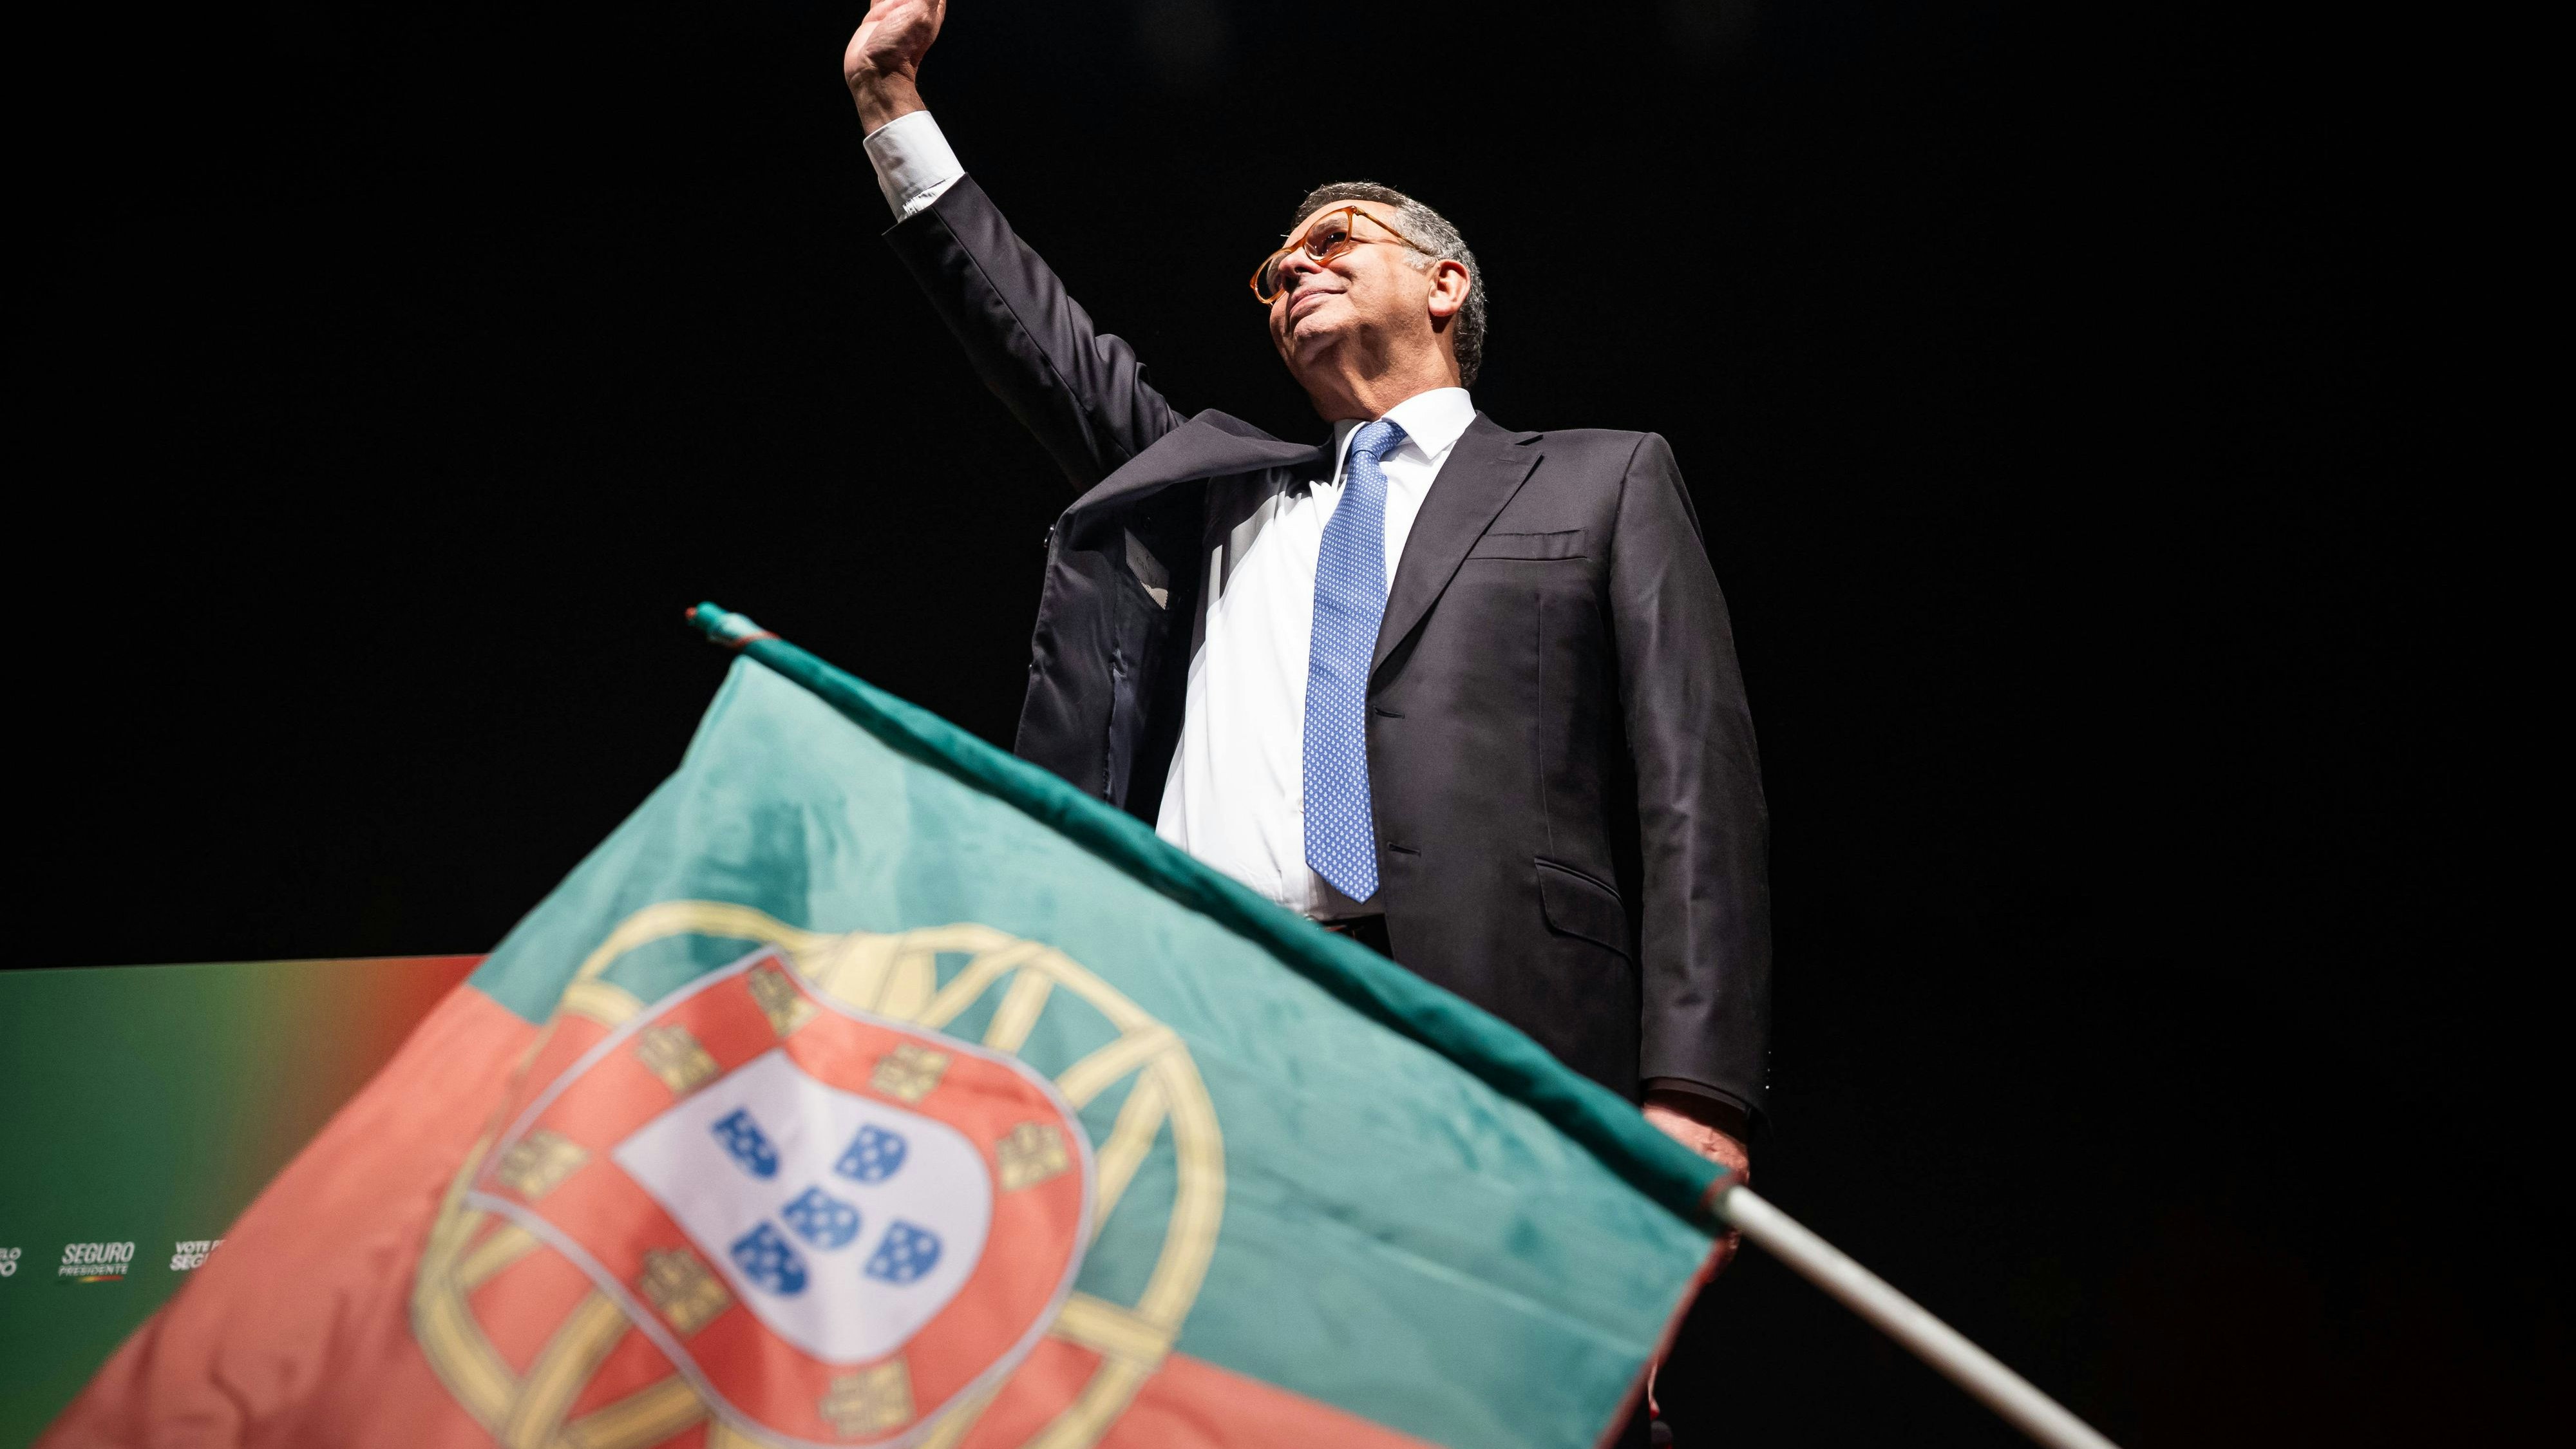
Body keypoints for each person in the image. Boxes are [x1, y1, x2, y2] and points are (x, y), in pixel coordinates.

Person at [842, 0, 1768, 1322]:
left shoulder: (1599, 478)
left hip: (1482, 1015)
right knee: (1211, 1368)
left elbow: (1696, 789)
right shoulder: (1221, 497)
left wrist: (1696, 1089)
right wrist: (889, 103)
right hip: (1203, 1014)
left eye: (1329, 243)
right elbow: (1032, 336)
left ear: (1446, 285)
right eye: (1271, 274)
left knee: (1489, 1377)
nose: (1289, 274)